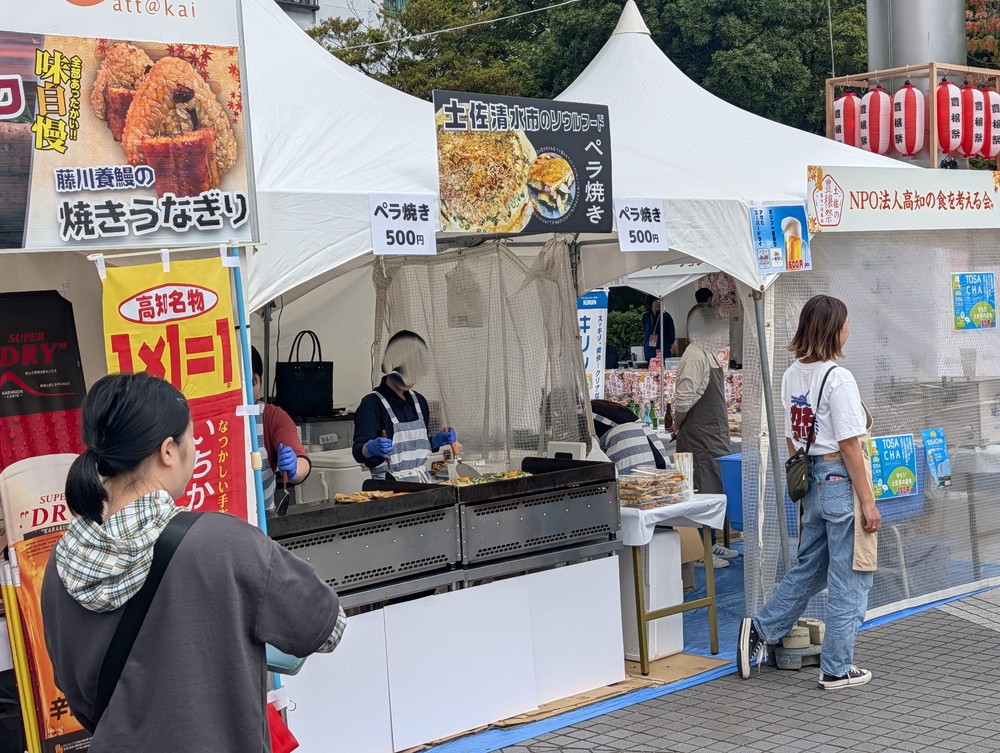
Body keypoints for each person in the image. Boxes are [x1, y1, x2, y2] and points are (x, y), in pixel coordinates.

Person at [41, 372, 344, 750]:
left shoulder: (60, 563)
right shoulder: (223, 543)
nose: (196, 449)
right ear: (168, 450)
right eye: (192, 438)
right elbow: (327, 627)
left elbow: (78, 695)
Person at [737, 294, 881, 690]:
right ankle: (836, 666)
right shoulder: (838, 378)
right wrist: (867, 501)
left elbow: (789, 438)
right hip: (840, 477)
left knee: (811, 568)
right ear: (835, 329)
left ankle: (760, 630)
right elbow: (851, 444)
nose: (849, 328)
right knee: (850, 574)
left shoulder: (791, 375)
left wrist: (811, 473)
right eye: (846, 322)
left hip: (811, 479)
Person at [671, 303, 739, 567]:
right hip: (699, 436)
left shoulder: (708, 353)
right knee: (703, 489)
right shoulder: (694, 356)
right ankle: (703, 551)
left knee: (716, 487)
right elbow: (683, 400)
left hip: (715, 435)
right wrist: (677, 425)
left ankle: (713, 543)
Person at [353, 331, 456, 482]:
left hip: (422, 485)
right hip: (388, 489)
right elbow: (357, 452)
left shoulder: (419, 402)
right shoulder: (371, 404)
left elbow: (412, 448)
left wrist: (434, 442)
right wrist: (369, 448)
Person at [251, 346, 310, 515]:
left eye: (253, 381)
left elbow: (302, 461)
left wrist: (293, 467)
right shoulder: (207, 419)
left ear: (258, 382)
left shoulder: (272, 417)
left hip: (261, 525)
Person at [591, 399, 665, 473]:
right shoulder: (604, 406)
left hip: (629, 447)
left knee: (631, 483)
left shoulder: (587, 414)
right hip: (652, 444)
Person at [641, 295, 675, 363]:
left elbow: (672, 334)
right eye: (656, 301)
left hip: (663, 350)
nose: (658, 303)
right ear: (651, 303)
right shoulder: (646, 316)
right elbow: (645, 332)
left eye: (659, 301)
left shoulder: (666, 316)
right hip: (649, 350)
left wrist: (670, 343)